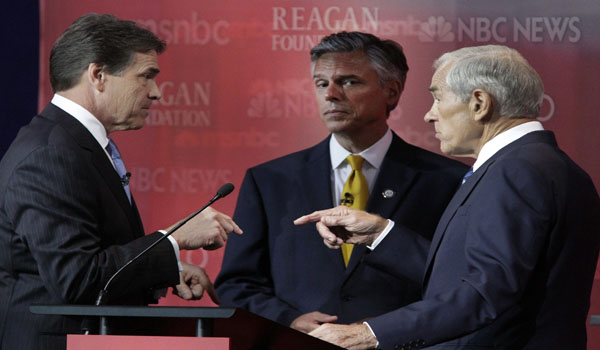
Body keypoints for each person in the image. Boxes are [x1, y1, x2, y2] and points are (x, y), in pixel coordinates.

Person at [295, 45, 600, 349]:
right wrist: (380, 232)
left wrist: (367, 333)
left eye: (438, 98)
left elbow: (484, 293)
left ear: (479, 103)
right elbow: (472, 276)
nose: (429, 115)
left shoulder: (516, 171)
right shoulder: (547, 165)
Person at [0, 14, 242, 350]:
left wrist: (167, 267)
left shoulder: (74, 143)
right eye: (146, 77)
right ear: (98, 75)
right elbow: (78, 280)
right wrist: (174, 238)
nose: (156, 93)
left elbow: (95, 259)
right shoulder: (51, 153)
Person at [215, 31, 468, 333]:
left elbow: (459, 283)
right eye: (322, 83)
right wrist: (288, 320)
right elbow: (237, 284)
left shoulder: (447, 180)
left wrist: (388, 329)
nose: (331, 94)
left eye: (349, 81)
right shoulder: (270, 180)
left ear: (392, 91)